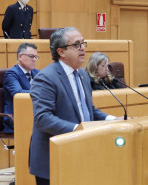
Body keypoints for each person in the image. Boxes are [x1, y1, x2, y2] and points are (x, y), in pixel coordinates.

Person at [29, 27, 124, 185]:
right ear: (61, 52)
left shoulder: (83, 75)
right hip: (53, 157)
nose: (83, 48)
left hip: (80, 151)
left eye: (83, 43)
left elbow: (88, 110)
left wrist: (113, 119)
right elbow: (42, 118)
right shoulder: (45, 78)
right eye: (77, 44)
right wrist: (78, 129)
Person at [3, 43, 40, 133]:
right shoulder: (11, 74)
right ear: (20, 56)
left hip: (34, 116)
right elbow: (18, 93)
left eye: (36, 57)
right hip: (17, 119)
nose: (34, 60)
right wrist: (41, 92)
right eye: (31, 56)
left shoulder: (37, 73)